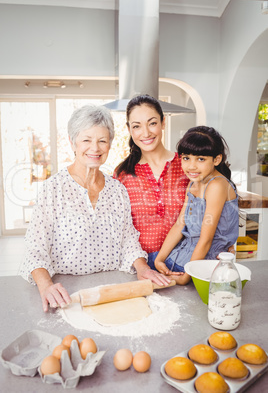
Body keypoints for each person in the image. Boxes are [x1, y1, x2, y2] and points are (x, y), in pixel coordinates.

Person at [20, 105, 171, 312]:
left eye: (102, 141)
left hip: (114, 289)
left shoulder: (117, 190)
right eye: (86, 140)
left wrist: (142, 268)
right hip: (67, 293)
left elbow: (128, 238)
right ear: (73, 143)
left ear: (109, 145)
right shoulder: (52, 189)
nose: (95, 148)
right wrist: (46, 286)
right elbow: (34, 248)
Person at [151, 126, 239, 285]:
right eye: (186, 158)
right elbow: (179, 225)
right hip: (179, 260)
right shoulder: (194, 183)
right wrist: (159, 260)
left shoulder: (217, 186)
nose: (191, 166)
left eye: (200, 159)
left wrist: (185, 277)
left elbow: (206, 239)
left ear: (216, 160)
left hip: (204, 269)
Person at [114, 94, 189, 261]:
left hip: (184, 262)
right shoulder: (122, 174)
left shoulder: (187, 165)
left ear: (163, 122)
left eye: (152, 123)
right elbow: (118, 228)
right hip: (138, 265)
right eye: (137, 126)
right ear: (129, 129)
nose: (145, 133)